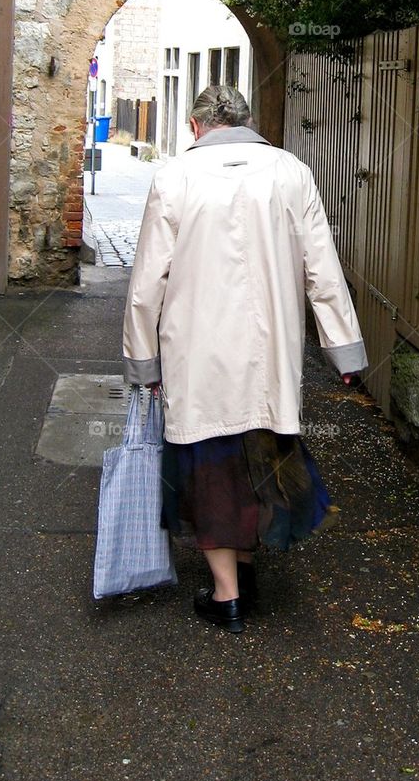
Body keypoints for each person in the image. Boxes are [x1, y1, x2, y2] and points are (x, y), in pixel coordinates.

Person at [122, 84, 368, 632]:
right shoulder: (290, 172)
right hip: (269, 353)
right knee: (260, 455)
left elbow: (146, 284)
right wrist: (343, 348)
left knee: (208, 466)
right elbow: (322, 268)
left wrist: (143, 360)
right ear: (248, 122)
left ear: (194, 126)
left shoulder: (175, 177)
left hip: (196, 351)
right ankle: (246, 574)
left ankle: (226, 595)